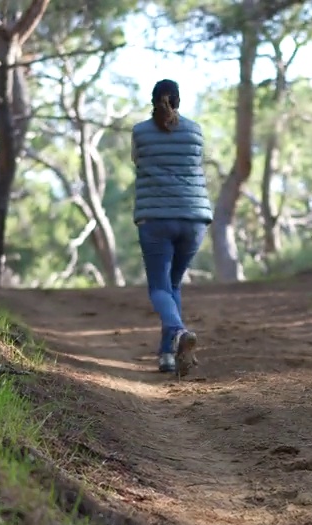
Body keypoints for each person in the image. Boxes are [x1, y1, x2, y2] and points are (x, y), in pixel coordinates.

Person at [131, 79, 213, 376]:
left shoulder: (140, 132)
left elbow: (137, 162)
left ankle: (177, 333)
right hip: (194, 219)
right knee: (173, 284)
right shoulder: (195, 131)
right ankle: (167, 354)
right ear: (178, 101)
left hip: (156, 218)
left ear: (153, 101)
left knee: (159, 287)